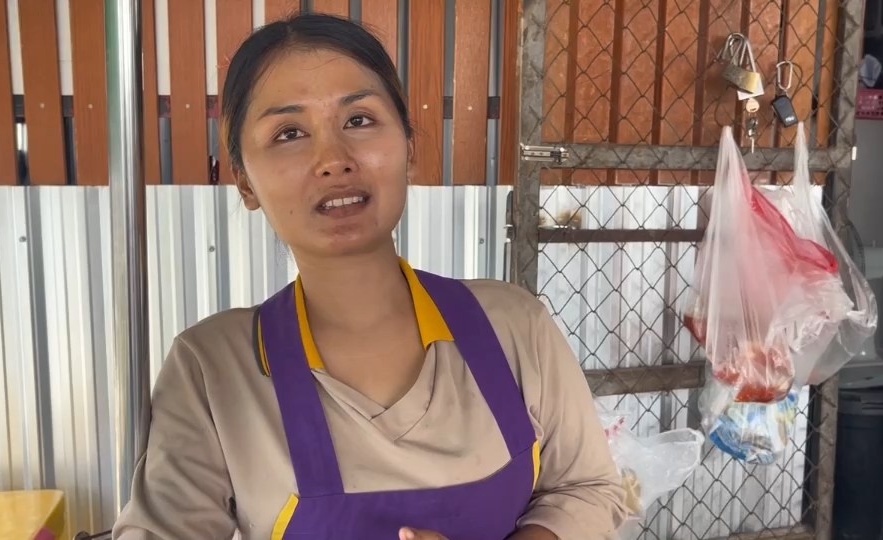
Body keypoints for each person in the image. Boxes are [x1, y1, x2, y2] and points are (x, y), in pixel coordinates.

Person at [113, 13, 630, 540]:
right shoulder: (213, 371)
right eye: (289, 133)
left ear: (409, 148)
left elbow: (587, 489)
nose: (333, 160)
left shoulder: (515, 327)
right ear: (245, 182)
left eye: (359, 120)